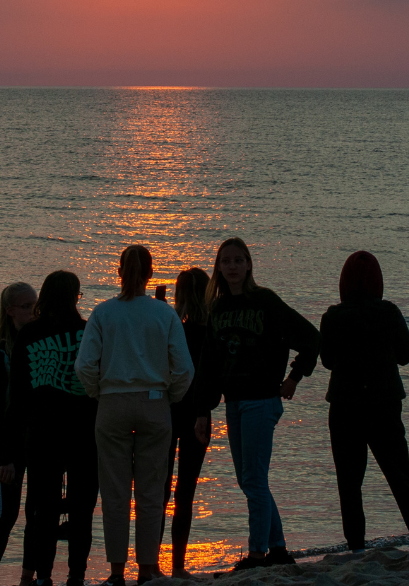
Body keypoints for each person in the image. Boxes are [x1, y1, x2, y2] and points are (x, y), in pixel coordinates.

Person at [194, 237, 320, 571]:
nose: (232, 266)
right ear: (218, 268)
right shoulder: (218, 309)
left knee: (253, 479)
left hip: (262, 400)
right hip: (233, 402)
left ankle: (256, 554)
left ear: (249, 264)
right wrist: (203, 409)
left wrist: (294, 377)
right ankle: (277, 549)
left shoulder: (265, 302)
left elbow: (310, 338)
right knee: (251, 479)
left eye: (238, 260)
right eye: (226, 261)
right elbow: (208, 365)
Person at [75, 245, 195, 586]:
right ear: (150, 274)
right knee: (151, 490)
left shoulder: (103, 313)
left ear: (119, 272)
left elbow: (84, 366)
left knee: (114, 491)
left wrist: (99, 393)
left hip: (112, 403)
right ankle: (146, 568)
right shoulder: (164, 314)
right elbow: (184, 368)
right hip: (155, 402)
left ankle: (116, 571)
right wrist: (169, 397)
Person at [319, 251, 409, 552]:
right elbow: (407, 355)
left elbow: (328, 361)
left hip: (345, 406)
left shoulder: (333, 316)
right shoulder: (389, 312)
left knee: (349, 481)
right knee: (400, 475)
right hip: (385, 403)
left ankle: (356, 544)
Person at [4, 271, 99, 586]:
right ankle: (76, 577)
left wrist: (10, 449)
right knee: (82, 509)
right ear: (75, 297)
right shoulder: (89, 332)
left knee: (42, 510)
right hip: (84, 432)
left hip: (41, 432)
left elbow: (16, 394)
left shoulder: (29, 335)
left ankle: (43, 577)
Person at [0, 282, 38, 586]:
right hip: (9, 451)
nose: (32, 311)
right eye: (26, 306)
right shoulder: (0, 353)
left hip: (37, 443)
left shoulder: (40, 345)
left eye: (35, 305)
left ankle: (27, 577)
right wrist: (2, 457)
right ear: (10, 310)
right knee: (8, 513)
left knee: (37, 513)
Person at [161, 268, 211, 579]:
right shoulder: (210, 332)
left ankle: (150, 562)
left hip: (168, 412)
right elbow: (209, 378)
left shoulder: (171, 329)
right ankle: (178, 565)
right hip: (199, 414)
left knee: (160, 489)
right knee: (185, 493)